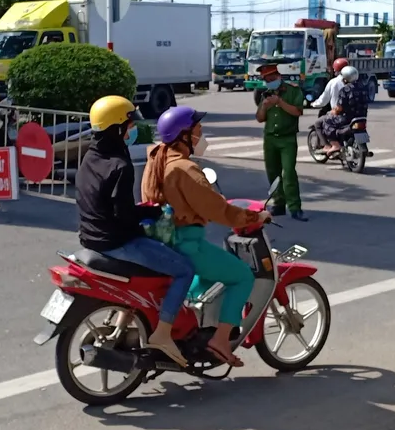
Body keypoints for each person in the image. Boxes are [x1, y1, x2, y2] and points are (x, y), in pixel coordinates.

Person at [141, 106, 271, 367]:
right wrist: (254, 217)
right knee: (242, 275)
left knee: (205, 279)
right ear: (184, 136)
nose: (202, 137)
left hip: (162, 241)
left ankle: (193, 329)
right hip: (187, 244)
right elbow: (219, 210)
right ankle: (221, 340)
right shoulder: (185, 169)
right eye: (198, 131)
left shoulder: (156, 158)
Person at [75, 95, 195, 368]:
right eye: (129, 127)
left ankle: (136, 316)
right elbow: (125, 217)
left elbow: (104, 203)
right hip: (115, 242)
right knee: (184, 269)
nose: (131, 132)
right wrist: (151, 214)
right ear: (117, 129)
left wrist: (140, 211)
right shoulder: (120, 165)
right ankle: (163, 333)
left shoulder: (91, 157)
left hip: (90, 238)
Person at [255, 64, 308, 221]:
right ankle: (279, 203)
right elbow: (259, 118)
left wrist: (279, 102)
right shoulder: (265, 94)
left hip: (287, 138)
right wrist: (264, 106)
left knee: (289, 172)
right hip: (270, 138)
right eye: (266, 80)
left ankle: (295, 207)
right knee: (273, 173)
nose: (269, 82)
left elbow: (298, 111)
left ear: (278, 76)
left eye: (271, 79)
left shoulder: (293, 90)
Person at [321, 65, 368, 155]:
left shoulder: (345, 89)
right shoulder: (363, 88)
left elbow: (339, 108)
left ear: (346, 78)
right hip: (362, 117)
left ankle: (335, 145)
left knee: (327, 121)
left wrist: (332, 112)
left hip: (347, 118)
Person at [310, 57, 350, 148]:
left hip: (338, 114)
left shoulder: (334, 82)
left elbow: (324, 99)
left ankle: (328, 145)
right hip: (355, 115)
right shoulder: (355, 82)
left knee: (318, 123)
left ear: (336, 69)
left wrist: (314, 104)